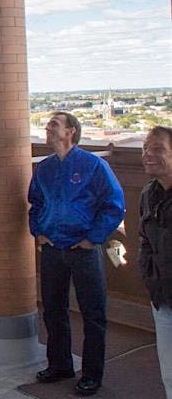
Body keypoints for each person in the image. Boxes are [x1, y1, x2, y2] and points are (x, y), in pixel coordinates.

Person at [29, 111, 125, 396]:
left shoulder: (93, 165)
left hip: (82, 251)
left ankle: (92, 375)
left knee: (93, 313)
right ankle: (60, 365)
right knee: (53, 309)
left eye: (54, 125)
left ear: (71, 132)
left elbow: (114, 205)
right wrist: (39, 232)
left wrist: (91, 239)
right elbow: (34, 203)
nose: (47, 128)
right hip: (52, 249)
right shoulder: (44, 168)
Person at [139, 125, 172, 398]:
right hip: (162, 300)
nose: (148, 155)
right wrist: (149, 277)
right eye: (145, 149)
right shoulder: (148, 194)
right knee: (170, 373)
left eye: (158, 149)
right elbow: (145, 241)